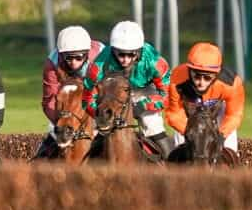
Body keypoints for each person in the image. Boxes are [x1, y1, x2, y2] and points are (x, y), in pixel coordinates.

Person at [81, 20, 173, 158]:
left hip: (144, 90)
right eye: (121, 54)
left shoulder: (155, 62)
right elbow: (87, 97)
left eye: (131, 54)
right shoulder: (99, 65)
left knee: (152, 125)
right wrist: (99, 112)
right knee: (97, 130)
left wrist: (143, 106)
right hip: (111, 91)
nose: (125, 59)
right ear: (113, 50)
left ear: (139, 51)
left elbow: (167, 94)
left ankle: (172, 164)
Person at [34, 25, 105, 160]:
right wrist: (63, 121)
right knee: (51, 136)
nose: (73, 63)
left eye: (78, 58)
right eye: (68, 58)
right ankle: (39, 158)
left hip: (97, 99)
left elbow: (107, 94)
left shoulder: (100, 57)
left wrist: (96, 118)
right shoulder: (52, 63)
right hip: (67, 105)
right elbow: (49, 101)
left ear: (87, 54)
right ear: (61, 55)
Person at [165, 41, 245, 157]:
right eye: (196, 76)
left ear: (216, 75)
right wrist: (189, 133)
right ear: (189, 71)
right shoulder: (176, 79)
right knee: (182, 149)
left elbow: (234, 115)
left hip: (217, 113)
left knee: (230, 148)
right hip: (188, 116)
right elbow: (174, 114)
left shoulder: (232, 83)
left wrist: (221, 135)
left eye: (207, 77)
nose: (201, 83)